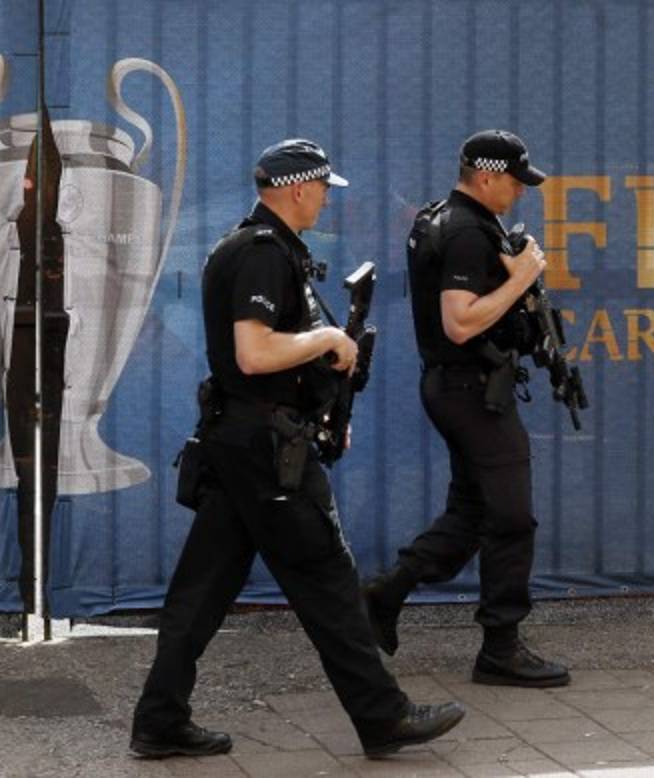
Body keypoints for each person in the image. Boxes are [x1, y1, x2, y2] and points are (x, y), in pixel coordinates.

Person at [130, 138, 465, 759]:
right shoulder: (262, 255)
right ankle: (382, 716)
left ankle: (159, 719)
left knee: (200, 591)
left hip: (246, 444)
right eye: (320, 190)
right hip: (266, 452)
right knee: (328, 581)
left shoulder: (260, 247)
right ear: (295, 189)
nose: (324, 202)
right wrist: (329, 339)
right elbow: (255, 354)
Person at [363, 130, 570, 688]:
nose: (520, 193)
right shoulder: (464, 232)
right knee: (512, 517)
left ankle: (383, 594)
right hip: (470, 391)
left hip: (463, 389)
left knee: (473, 513)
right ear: (485, 176)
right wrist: (522, 278)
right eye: (514, 181)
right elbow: (458, 322)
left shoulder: (448, 220)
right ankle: (501, 647)